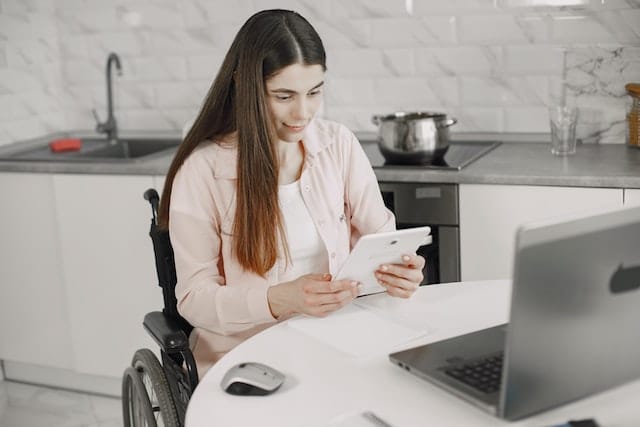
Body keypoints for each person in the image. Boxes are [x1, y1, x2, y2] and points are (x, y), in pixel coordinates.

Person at [158, 9, 425, 376]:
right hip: (248, 356)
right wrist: (278, 299)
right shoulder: (203, 170)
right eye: (284, 96)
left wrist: (400, 269)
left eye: (314, 92)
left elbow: (383, 239)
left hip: (339, 339)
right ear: (244, 86)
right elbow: (194, 300)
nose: (303, 112)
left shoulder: (338, 145)